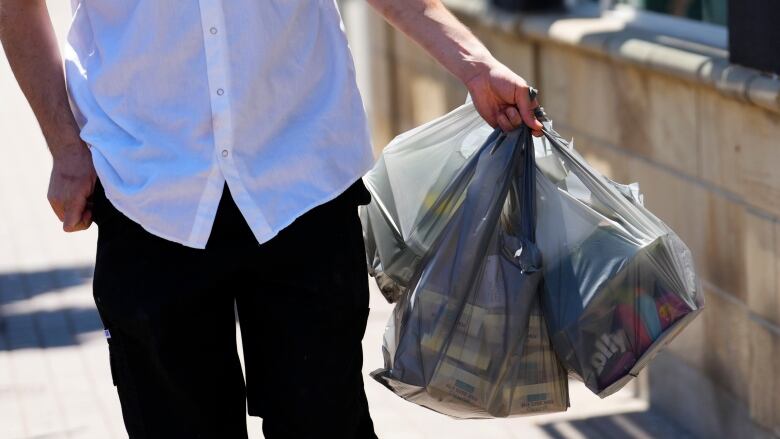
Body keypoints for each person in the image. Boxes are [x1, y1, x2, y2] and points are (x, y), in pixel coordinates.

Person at [0, 0, 543, 437]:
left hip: (301, 173)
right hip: (147, 185)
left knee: (324, 424)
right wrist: (65, 148)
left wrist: (474, 64)